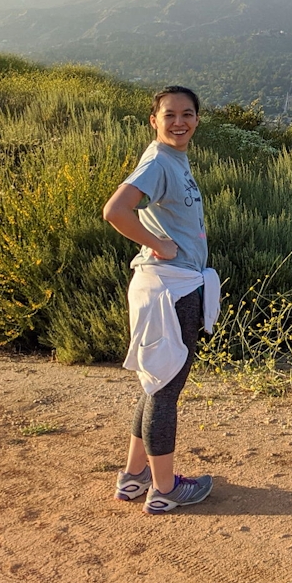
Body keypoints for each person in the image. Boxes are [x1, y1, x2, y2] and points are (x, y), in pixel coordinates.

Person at [103, 86, 220, 514]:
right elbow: (116, 210)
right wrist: (158, 243)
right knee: (166, 390)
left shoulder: (173, 159)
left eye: (187, 114)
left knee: (156, 385)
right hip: (170, 288)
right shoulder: (157, 161)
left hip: (174, 285)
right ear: (153, 120)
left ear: (197, 120)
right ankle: (166, 488)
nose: (179, 122)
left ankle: (135, 478)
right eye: (169, 114)